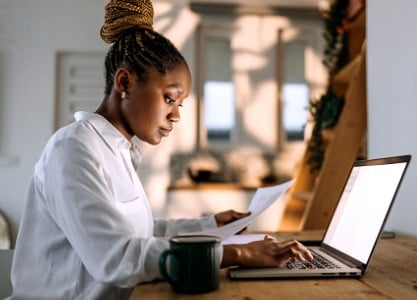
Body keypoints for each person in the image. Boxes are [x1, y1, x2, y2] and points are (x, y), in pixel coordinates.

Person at [8, 0, 312, 299]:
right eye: (169, 98)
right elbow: (115, 257)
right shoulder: (73, 149)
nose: (176, 115)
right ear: (125, 82)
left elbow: (139, 233)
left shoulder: (118, 150)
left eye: (180, 104)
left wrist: (209, 226)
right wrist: (239, 253)